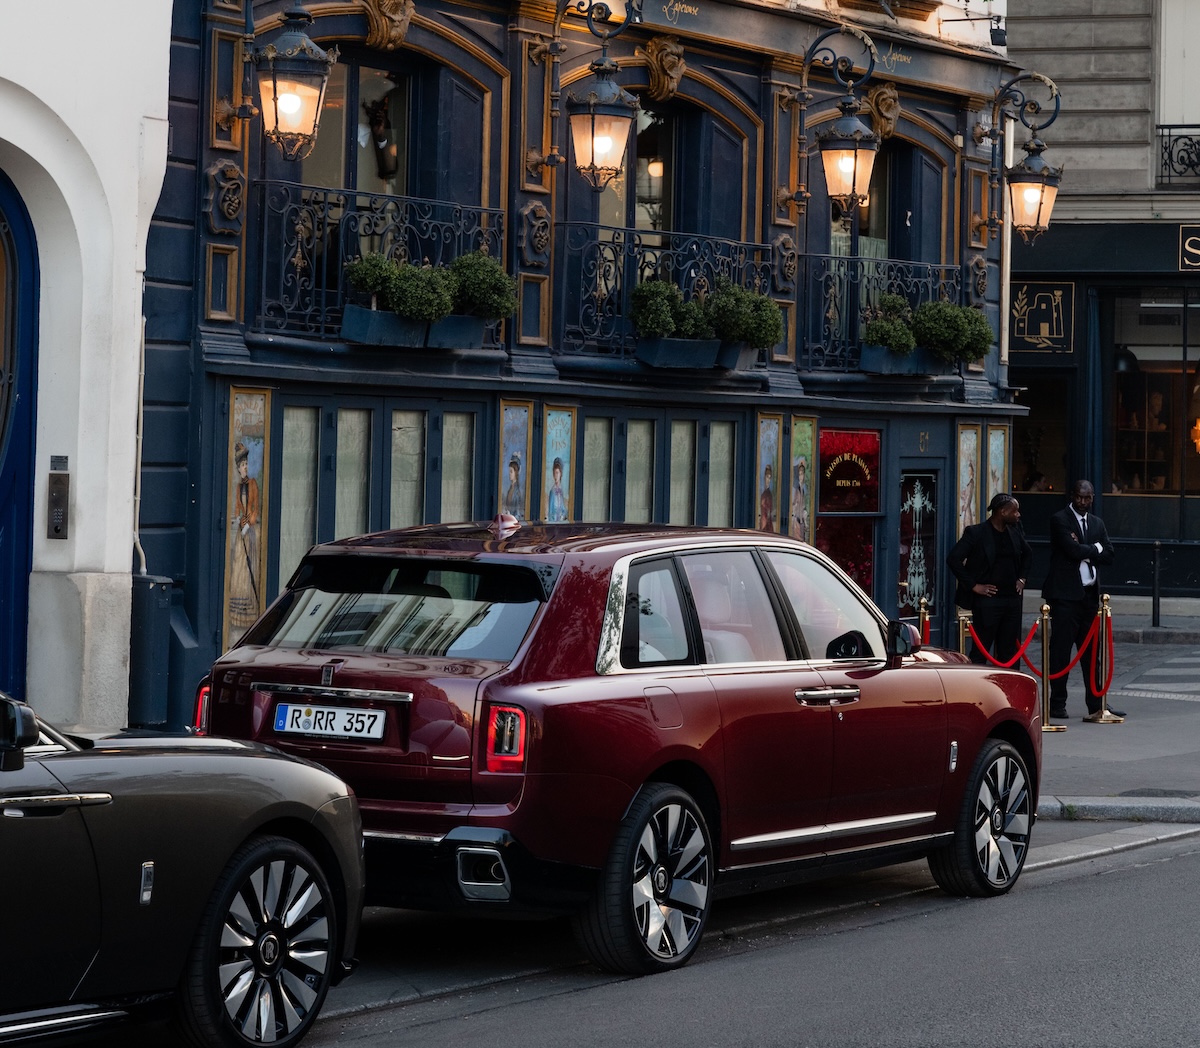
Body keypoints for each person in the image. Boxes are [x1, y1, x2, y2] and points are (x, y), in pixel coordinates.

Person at [1042, 479, 1124, 720]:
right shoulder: (1060, 519)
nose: (1083, 502)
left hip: (1089, 596)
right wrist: (1095, 549)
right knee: (1061, 651)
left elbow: (1110, 554)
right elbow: (1072, 550)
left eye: (1087, 498)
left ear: (1093, 498)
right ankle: (1057, 703)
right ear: (1072, 495)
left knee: (1092, 653)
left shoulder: (1097, 523)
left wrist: (1089, 549)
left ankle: (1096, 704)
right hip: (1064, 596)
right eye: (1079, 497)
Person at [947, 492, 1032, 667]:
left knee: (1009, 651)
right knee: (981, 650)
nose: (1018, 514)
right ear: (1002, 512)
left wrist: (1022, 578)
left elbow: (1028, 554)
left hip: (1012, 599)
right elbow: (954, 559)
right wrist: (973, 585)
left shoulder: (1014, 531)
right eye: (1015, 511)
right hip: (987, 601)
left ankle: (1008, 683)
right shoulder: (976, 533)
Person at [790, 458, 809, 542]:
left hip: (802, 522)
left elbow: (804, 505)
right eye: (799, 474)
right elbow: (794, 504)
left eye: (802, 474)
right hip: (796, 521)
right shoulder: (796, 489)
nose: (801, 476)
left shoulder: (803, 489)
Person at [503, 454, 524, 519]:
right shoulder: (510, 488)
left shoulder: (517, 492)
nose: (509, 474)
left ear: (516, 472)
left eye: (511, 471)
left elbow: (518, 512)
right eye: (509, 471)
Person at [546, 457, 567, 522]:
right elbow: (550, 512)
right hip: (554, 522)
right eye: (554, 473)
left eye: (557, 473)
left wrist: (563, 515)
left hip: (560, 521)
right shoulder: (552, 491)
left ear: (560, 474)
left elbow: (563, 509)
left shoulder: (561, 491)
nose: (556, 476)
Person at [758, 463, 775, 532]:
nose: (768, 480)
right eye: (767, 477)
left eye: (770, 478)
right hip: (763, 520)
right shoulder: (763, 493)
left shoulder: (769, 494)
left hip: (767, 521)